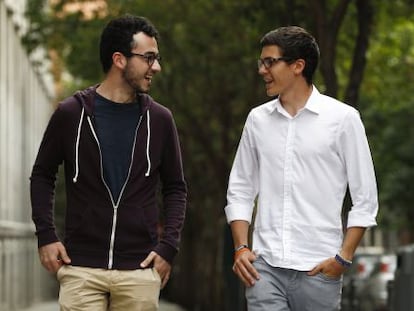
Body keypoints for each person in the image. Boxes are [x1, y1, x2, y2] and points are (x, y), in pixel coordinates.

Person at [30, 14, 187, 311]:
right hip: (81, 267)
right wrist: (46, 236)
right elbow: (42, 174)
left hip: (139, 268)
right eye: (149, 58)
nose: (157, 67)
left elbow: (176, 188)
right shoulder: (70, 113)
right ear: (119, 59)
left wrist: (168, 247)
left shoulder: (161, 120)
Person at [225, 26, 378, 310]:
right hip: (264, 268)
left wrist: (343, 258)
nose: (262, 70)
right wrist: (240, 247)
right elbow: (241, 189)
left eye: (270, 62)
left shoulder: (343, 119)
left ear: (298, 66)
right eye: (262, 62)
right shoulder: (257, 120)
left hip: (319, 270)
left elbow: (365, 199)